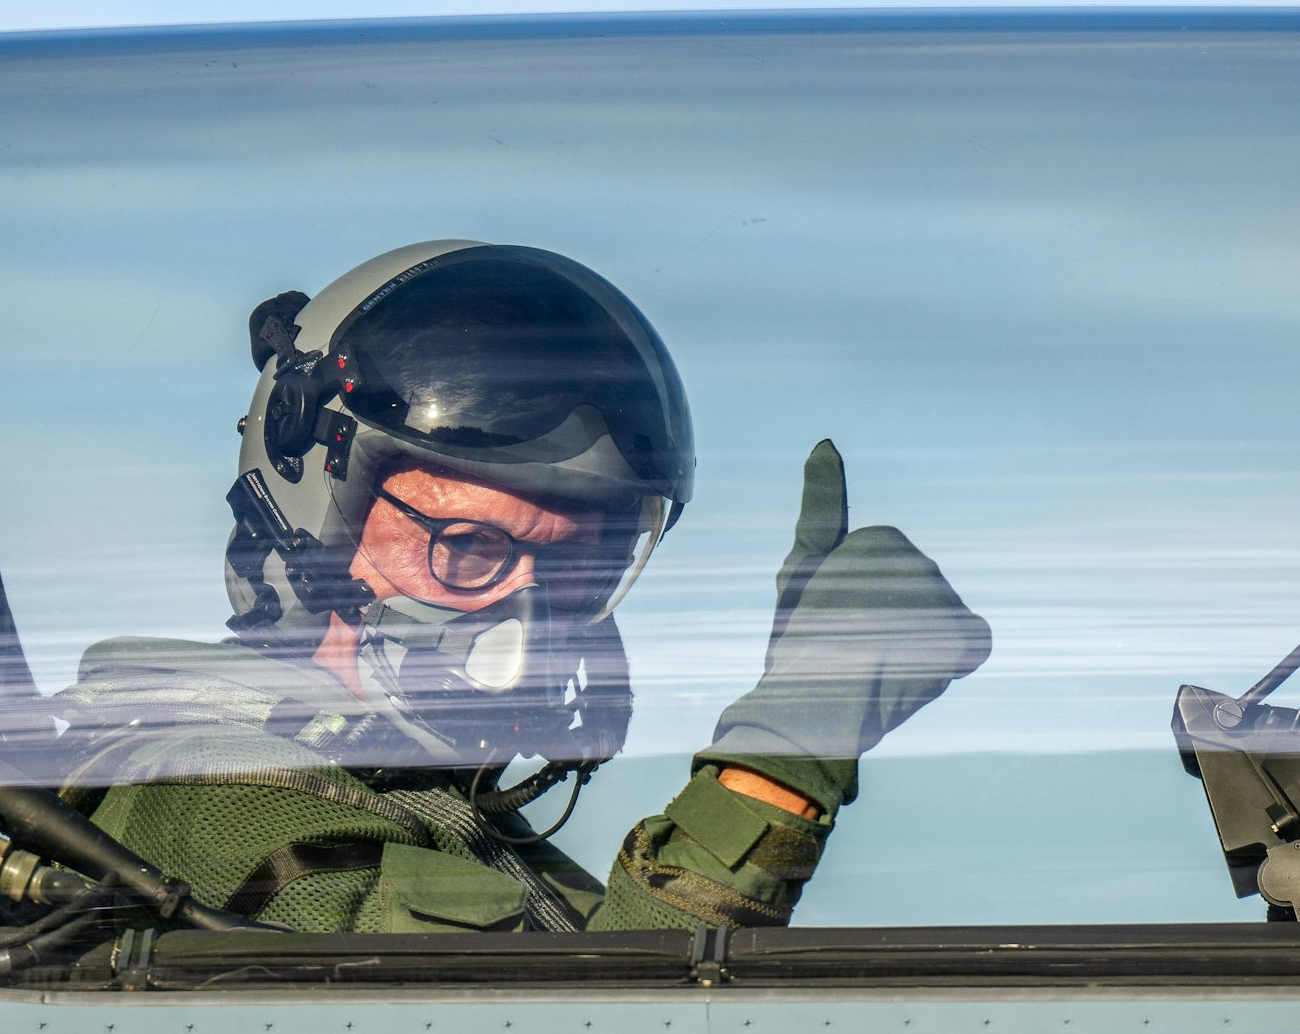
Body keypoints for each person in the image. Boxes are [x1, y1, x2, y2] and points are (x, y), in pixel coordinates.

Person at [55, 242, 990, 932]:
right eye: (467, 547)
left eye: (575, 568)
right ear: (314, 522)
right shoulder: (212, 806)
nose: (533, 618)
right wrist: (782, 757)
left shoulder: (430, 818)